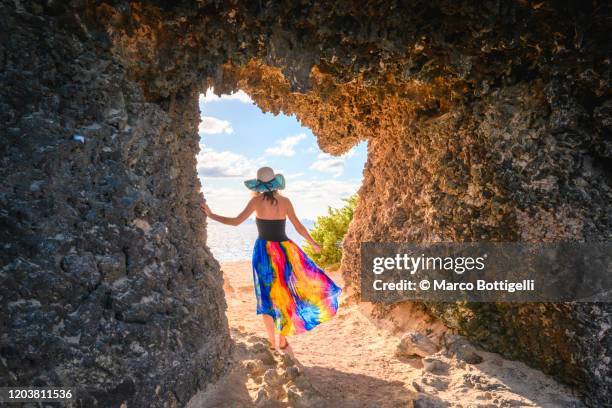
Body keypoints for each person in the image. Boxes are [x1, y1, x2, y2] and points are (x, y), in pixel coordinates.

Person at [200, 166, 342, 350]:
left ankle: (271, 341)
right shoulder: (285, 201)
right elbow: (299, 227)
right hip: (284, 252)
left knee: (266, 297)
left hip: (264, 253)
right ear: (275, 183)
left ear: (258, 184)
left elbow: (235, 222)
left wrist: (211, 215)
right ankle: (282, 339)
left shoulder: (256, 202)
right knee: (283, 294)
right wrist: (313, 243)